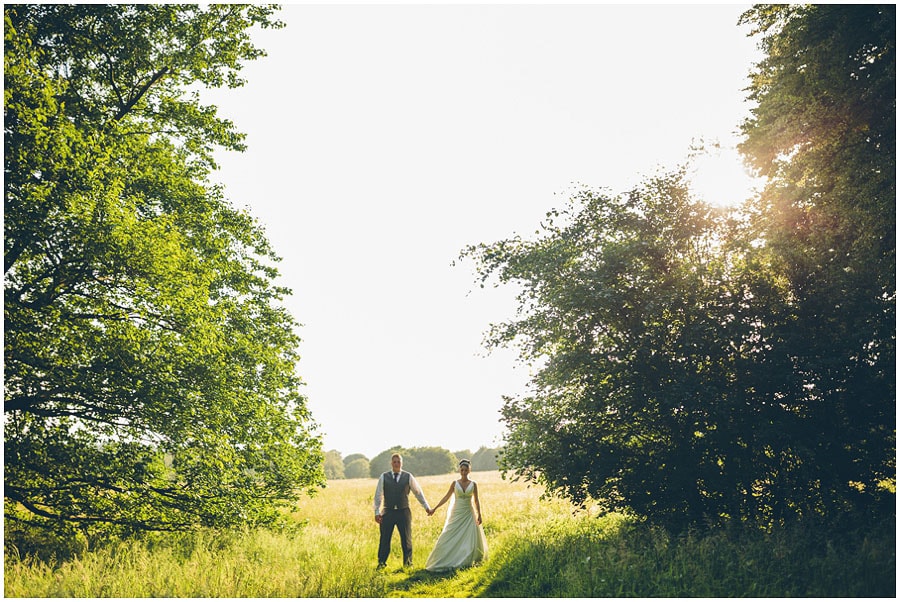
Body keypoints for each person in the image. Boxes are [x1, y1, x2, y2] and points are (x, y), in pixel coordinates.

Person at [424, 459, 488, 572]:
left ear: (469, 470)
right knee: (448, 535)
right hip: (456, 513)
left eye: (466, 470)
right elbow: (446, 497)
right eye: (462, 470)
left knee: (469, 538)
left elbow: (476, 500)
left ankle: (466, 560)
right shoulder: (454, 483)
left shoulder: (473, 484)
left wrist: (479, 514)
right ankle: (442, 560)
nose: (464, 472)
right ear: (459, 470)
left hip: (468, 514)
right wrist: (435, 508)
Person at [373, 453, 432, 568]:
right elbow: (378, 495)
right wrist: (376, 512)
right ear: (391, 463)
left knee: (406, 539)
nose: (396, 464)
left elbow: (418, 492)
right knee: (385, 539)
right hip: (387, 511)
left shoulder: (408, 476)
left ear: (401, 463)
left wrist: (426, 507)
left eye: (398, 461)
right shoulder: (384, 477)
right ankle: (381, 563)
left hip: (403, 511)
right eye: (394, 462)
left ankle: (408, 564)